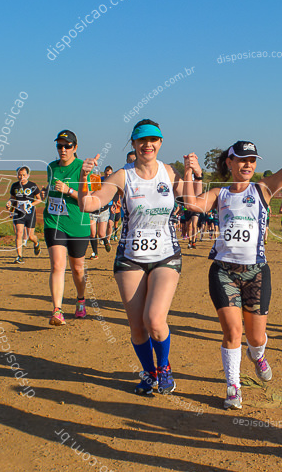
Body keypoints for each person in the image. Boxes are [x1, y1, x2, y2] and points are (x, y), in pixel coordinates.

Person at [183, 118, 282, 408]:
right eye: (241, 160)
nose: (247, 165)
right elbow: (193, 205)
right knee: (232, 332)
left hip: (256, 272)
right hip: (223, 271)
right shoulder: (220, 193)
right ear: (229, 162)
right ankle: (233, 387)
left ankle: (259, 356)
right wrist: (192, 173)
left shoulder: (263, 190)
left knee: (255, 338)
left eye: (252, 160)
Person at [80, 120, 196, 395]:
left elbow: (192, 202)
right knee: (138, 328)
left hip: (166, 255)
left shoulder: (169, 173)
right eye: (142, 140)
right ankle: (149, 373)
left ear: (160, 143)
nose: (148, 145)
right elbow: (89, 204)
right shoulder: (123, 176)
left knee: (155, 320)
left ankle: (164, 367)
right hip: (130, 257)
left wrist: (191, 173)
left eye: (153, 140)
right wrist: (84, 177)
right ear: (133, 144)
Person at [44, 130, 91, 324]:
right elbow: (48, 190)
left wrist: (69, 190)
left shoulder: (82, 167)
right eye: (59, 146)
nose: (63, 149)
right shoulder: (51, 167)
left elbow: (88, 197)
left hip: (78, 224)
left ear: (75, 148)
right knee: (57, 265)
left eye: (67, 146)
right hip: (54, 222)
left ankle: (81, 300)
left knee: (77, 268)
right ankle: (57, 310)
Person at [6, 166, 42, 263]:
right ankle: (19, 256)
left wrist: (31, 204)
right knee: (19, 234)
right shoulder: (14, 186)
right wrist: (9, 204)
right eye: (19, 175)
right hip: (18, 213)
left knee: (31, 236)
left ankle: (36, 243)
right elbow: (12, 198)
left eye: (24, 175)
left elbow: (39, 199)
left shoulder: (32, 186)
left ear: (28, 175)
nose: (21, 177)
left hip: (30, 213)